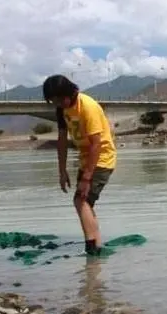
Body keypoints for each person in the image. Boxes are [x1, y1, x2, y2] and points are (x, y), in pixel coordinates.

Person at [42, 74, 117, 256]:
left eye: (59, 99)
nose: (57, 104)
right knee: (86, 204)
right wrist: (62, 170)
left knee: (80, 200)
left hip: (101, 158)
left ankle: (91, 248)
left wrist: (86, 177)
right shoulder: (62, 109)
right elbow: (61, 140)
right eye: (53, 101)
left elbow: (96, 144)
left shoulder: (88, 106)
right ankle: (97, 246)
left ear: (68, 92)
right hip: (85, 159)